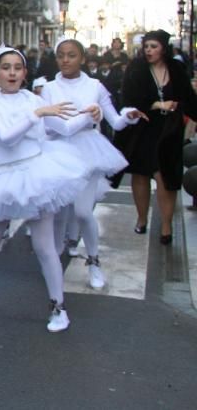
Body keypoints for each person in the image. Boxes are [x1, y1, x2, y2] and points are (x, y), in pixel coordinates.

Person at [0, 45, 88, 333]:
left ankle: (58, 307)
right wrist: (36, 113)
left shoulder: (32, 100)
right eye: (6, 68)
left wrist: (91, 115)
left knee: (44, 247)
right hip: (3, 178)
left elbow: (64, 129)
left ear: (25, 72)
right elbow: (6, 139)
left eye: (17, 68)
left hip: (37, 174)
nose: (12, 73)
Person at [41, 37, 145, 289]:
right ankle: (52, 261)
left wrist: (128, 116)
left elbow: (114, 121)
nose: (65, 60)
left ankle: (94, 261)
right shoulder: (49, 88)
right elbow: (55, 127)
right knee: (56, 212)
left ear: (82, 59)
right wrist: (87, 117)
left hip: (88, 151)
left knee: (82, 212)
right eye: (61, 55)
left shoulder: (95, 86)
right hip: (58, 151)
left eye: (71, 55)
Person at [115, 30, 197, 244]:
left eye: (154, 46)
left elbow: (188, 96)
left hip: (169, 129)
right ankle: (142, 219)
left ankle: (166, 226)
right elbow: (128, 98)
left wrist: (181, 106)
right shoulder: (137, 68)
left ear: (163, 48)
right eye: (146, 46)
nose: (149, 50)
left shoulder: (176, 69)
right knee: (141, 174)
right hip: (144, 128)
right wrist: (157, 104)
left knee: (165, 176)